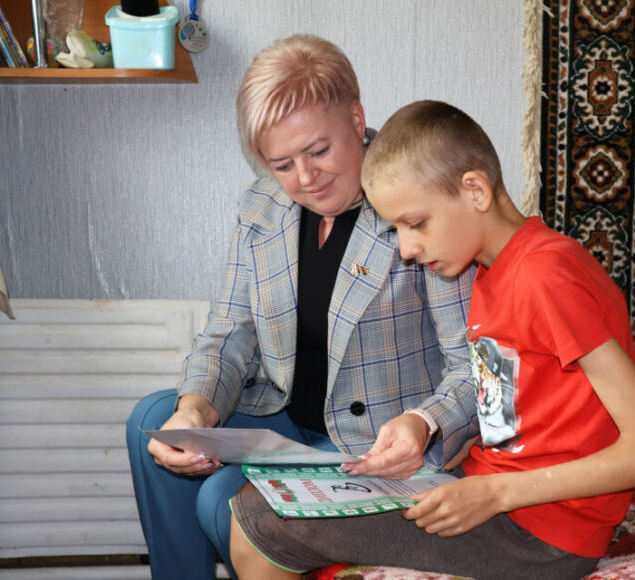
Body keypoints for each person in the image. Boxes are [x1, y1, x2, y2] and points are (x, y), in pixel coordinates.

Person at [227, 100, 635, 580]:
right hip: (499, 492)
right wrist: (429, 446)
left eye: (416, 223)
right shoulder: (491, 271)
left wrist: (493, 493)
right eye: (396, 229)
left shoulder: (547, 275)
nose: (407, 249)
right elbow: (517, 420)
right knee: (278, 494)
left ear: (475, 190)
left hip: (541, 532)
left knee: (261, 519)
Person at [126, 43, 479, 579]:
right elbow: (230, 332)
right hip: (284, 421)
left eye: (318, 150)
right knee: (154, 423)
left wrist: (427, 424)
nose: (305, 177)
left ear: (356, 118)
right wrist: (196, 409)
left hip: (376, 442)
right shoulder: (261, 207)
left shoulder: (418, 203)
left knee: (221, 500)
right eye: (282, 164)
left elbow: (473, 365)